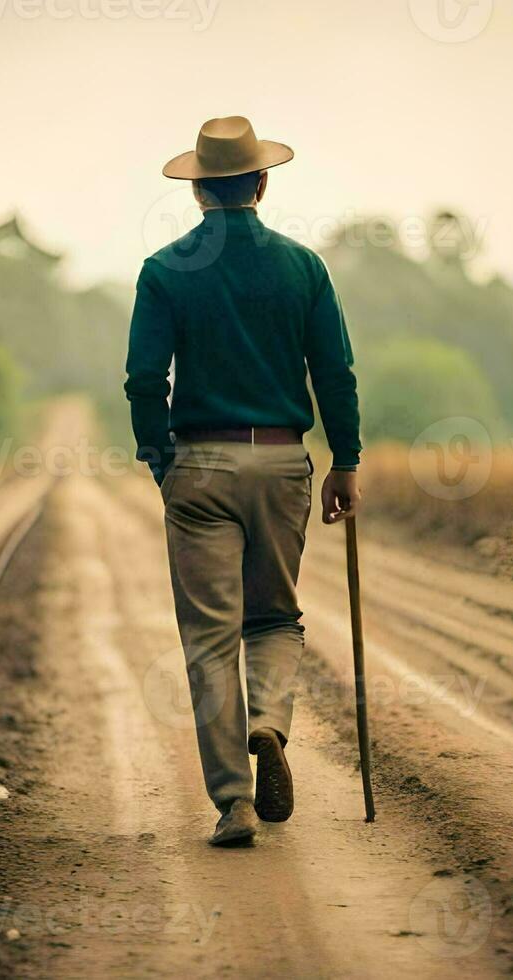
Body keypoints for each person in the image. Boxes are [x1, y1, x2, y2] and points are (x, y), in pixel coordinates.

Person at [125, 115, 362, 846]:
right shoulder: (304, 268)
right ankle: (268, 721)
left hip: (199, 462)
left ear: (198, 190)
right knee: (274, 618)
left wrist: (161, 459)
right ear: (261, 182)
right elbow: (335, 374)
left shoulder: (165, 270)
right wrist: (345, 461)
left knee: (208, 638)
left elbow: (143, 378)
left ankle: (233, 802)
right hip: (283, 461)